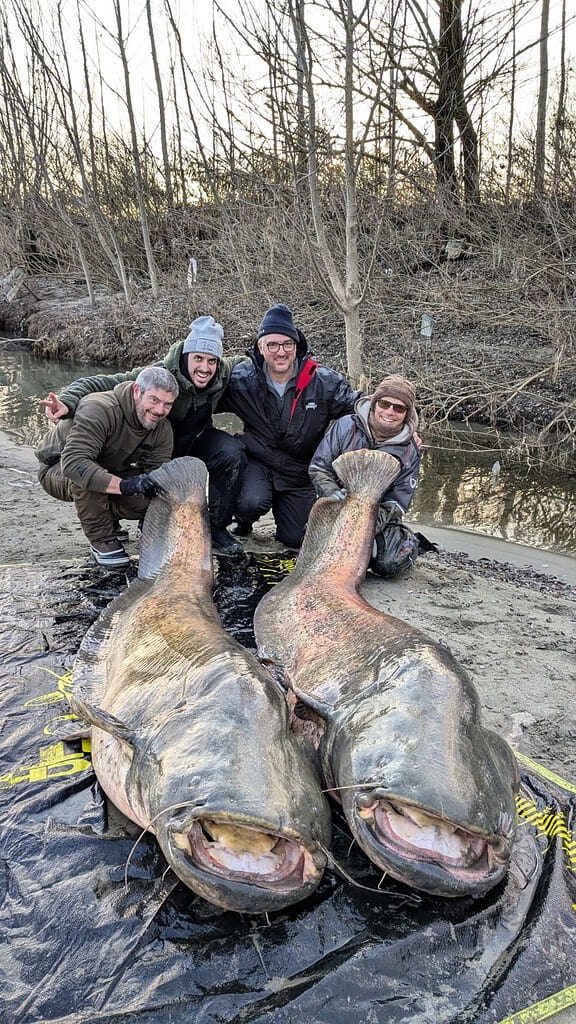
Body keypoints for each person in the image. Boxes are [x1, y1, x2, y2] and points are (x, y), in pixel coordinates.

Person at [38, 316, 247, 555]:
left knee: (228, 453)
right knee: (93, 473)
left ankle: (216, 527)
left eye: (212, 360)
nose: (205, 367)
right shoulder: (155, 375)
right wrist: (66, 402)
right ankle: (104, 535)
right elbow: (100, 382)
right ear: (186, 355)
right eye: (198, 358)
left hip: (180, 440)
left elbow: (254, 361)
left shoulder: (223, 372)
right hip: (123, 449)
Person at [217, 303, 362, 550]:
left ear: (297, 347)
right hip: (258, 462)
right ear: (261, 347)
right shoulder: (240, 379)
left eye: (287, 344)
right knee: (250, 503)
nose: (280, 352)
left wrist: (403, 427)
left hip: (299, 472)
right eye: (272, 344)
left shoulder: (324, 382)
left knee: (296, 538)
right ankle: (244, 519)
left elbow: (360, 408)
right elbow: (199, 395)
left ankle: (285, 512)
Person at [36, 366, 178, 569]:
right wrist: (125, 486)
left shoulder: (162, 428)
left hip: (110, 468)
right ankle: (102, 540)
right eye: (154, 400)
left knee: (155, 496)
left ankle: (108, 517)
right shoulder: (100, 408)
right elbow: (75, 463)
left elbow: (158, 474)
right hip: (58, 468)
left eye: (168, 404)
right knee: (87, 478)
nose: (159, 410)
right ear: (137, 391)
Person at [309, 374, 422, 577]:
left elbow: (399, 501)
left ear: (407, 413)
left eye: (399, 408)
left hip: (379, 518)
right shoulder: (345, 426)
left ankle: (409, 542)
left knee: (390, 563)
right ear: (374, 403)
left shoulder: (410, 450)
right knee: (314, 554)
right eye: (385, 404)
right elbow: (319, 467)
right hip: (336, 509)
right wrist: (332, 493)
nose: (390, 412)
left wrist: (366, 524)